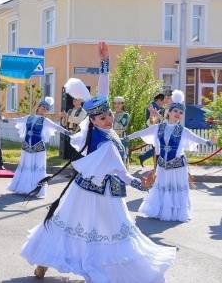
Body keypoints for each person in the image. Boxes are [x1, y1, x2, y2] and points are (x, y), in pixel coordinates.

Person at [22, 42, 175, 281]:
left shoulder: (106, 131)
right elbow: (123, 173)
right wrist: (141, 185)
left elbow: (104, 88)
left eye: (109, 115)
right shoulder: (104, 143)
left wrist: (104, 62)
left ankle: (48, 263)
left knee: (84, 229)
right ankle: (45, 262)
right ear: (92, 121)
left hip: (102, 190)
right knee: (76, 226)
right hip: (92, 192)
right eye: (102, 118)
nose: (108, 120)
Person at [125, 90, 215, 222]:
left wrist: (209, 142)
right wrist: (126, 138)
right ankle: (160, 210)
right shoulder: (159, 127)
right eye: (175, 111)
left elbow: (197, 139)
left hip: (178, 166)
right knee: (163, 188)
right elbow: (142, 132)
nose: (178, 114)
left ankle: (175, 212)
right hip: (162, 165)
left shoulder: (183, 130)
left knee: (175, 189)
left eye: (180, 112)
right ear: (169, 112)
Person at [7, 97, 68, 197]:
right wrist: (3, 118)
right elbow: (17, 120)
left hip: (38, 147)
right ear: (38, 107)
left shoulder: (45, 120)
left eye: (46, 108)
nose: (44, 109)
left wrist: (69, 133)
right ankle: (23, 187)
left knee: (37, 167)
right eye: (43, 107)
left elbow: (57, 127)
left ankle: (35, 189)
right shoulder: (28, 117)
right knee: (25, 165)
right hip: (27, 146)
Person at [139, 93, 165, 167]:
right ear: (159, 100)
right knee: (157, 148)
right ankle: (146, 158)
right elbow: (154, 120)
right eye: (163, 102)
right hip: (154, 130)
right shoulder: (154, 107)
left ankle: (155, 165)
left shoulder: (152, 106)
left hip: (152, 129)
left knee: (156, 147)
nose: (163, 104)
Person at [60, 96, 86, 161]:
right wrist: (64, 117)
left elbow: (78, 120)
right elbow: (64, 124)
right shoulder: (70, 111)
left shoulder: (83, 112)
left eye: (76, 99)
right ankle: (72, 165)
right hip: (69, 135)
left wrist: (67, 117)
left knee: (77, 153)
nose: (74, 100)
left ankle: (77, 168)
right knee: (70, 153)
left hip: (77, 136)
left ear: (80, 101)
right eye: (73, 99)